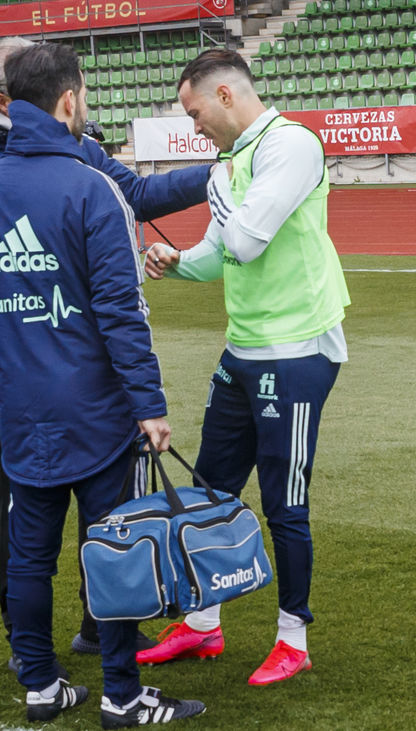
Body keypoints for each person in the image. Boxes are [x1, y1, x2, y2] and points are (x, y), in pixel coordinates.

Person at [0, 42, 206, 728]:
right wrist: (150, 403)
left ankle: (41, 685)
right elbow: (120, 310)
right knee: (116, 549)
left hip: (23, 405)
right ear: (69, 100)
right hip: (97, 406)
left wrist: (11, 342)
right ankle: (120, 693)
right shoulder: (91, 187)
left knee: (31, 554)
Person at [140, 48, 351, 687]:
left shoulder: (291, 147)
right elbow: (216, 256)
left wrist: (218, 195)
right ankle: (203, 626)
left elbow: (246, 240)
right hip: (244, 349)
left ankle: (294, 637)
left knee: (284, 501)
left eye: (196, 111)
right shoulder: (230, 165)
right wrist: (177, 262)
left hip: (295, 353)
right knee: (209, 489)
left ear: (227, 95)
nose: (194, 126)